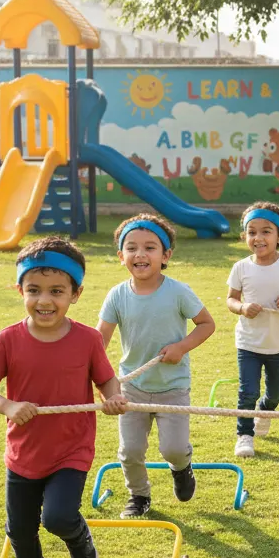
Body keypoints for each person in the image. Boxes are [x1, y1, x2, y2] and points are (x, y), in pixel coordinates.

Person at [0, 238, 127, 558]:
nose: (44, 300)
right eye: (34, 290)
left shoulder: (88, 339)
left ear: (76, 293)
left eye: (57, 291)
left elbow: (105, 379)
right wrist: (7, 405)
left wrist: (112, 396)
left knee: (57, 517)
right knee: (20, 528)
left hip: (71, 448)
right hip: (24, 451)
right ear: (20, 290)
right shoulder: (6, 340)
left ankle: (78, 537)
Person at [97, 214, 215, 518]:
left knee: (172, 449)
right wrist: (99, 383)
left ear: (166, 256)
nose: (140, 254)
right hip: (131, 388)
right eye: (132, 248)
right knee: (131, 451)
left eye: (150, 247)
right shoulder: (117, 296)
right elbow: (98, 343)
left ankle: (182, 467)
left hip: (172, 387)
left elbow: (206, 324)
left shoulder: (178, 292)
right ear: (121, 256)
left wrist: (181, 347)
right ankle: (139, 496)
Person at [226, 202, 279, 459]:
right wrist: (242, 308)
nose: (258, 238)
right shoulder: (241, 267)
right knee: (247, 391)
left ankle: (266, 408)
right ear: (245, 236)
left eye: (266, 231)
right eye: (252, 232)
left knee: (277, 392)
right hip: (249, 343)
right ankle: (244, 435)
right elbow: (230, 300)